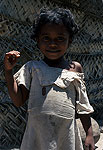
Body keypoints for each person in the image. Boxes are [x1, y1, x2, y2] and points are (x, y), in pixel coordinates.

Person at [4, 7, 95, 150]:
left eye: (60, 38)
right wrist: (8, 72)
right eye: (46, 38)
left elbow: (83, 106)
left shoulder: (75, 69)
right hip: (37, 137)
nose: (53, 43)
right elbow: (18, 100)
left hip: (65, 136)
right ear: (37, 40)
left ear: (69, 40)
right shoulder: (32, 68)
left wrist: (89, 134)